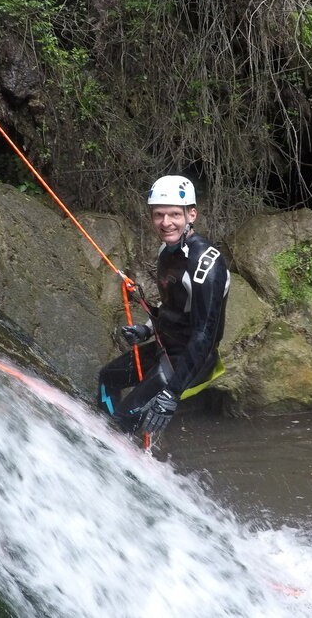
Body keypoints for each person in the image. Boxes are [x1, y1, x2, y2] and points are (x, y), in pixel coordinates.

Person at [97, 175, 230, 435]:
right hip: (165, 346)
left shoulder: (206, 265)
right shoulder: (166, 250)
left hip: (189, 360)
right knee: (108, 378)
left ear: (191, 215)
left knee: (125, 420)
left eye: (174, 215)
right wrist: (146, 330)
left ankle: (119, 450)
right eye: (158, 215)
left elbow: (205, 334)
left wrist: (172, 393)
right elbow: (173, 303)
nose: (165, 223)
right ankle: (110, 439)